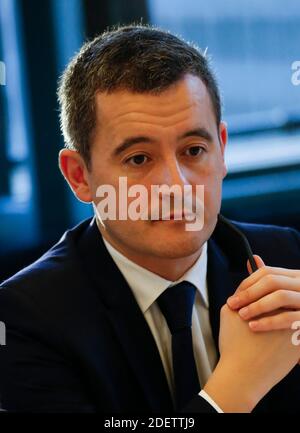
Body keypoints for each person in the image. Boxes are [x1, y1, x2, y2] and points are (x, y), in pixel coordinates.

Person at [0, 24, 300, 413]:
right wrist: (236, 388)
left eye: (194, 150)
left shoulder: (287, 256)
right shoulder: (24, 319)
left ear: (222, 151)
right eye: (139, 159)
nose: (176, 186)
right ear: (80, 176)